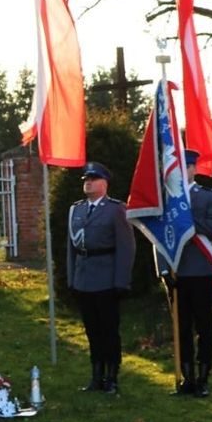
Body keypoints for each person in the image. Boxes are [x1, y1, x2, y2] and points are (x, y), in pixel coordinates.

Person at [67, 161, 136, 394]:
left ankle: (112, 376)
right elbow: (71, 248)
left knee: (109, 330)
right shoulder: (76, 209)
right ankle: (96, 375)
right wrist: (72, 279)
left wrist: (121, 281)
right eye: (86, 179)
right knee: (92, 331)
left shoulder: (116, 209)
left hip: (107, 279)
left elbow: (126, 248)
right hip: (84, 279)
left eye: (93, 179)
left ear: (104, 183)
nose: (88, 183)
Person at [172, 149, 212, 397]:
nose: (184, 171)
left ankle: (203, 378)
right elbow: (158, 236)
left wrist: (188, 223)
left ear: (194, 169)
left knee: (204, 326)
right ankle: (186, 378)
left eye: (187, 167)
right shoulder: (167, 197)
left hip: (201, 269)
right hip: (176, 271)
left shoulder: (207, 196)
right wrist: (163, 267)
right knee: (180, 327)